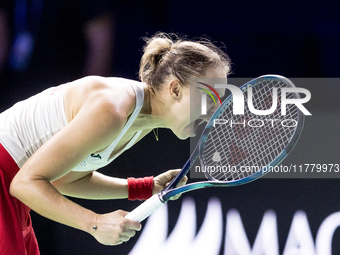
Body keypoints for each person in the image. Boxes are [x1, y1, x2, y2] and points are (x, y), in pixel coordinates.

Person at [0, 33, 231, 254]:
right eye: (210, 98)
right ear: (175, 89)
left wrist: (145, 188)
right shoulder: (112, 109)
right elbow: (25, 183)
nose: (214, 114)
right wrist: (95, 223)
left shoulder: (140, 121)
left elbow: (63, 179)